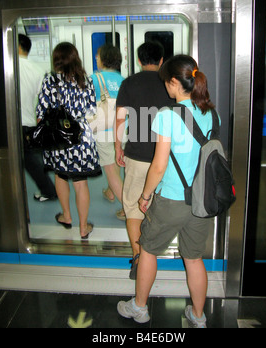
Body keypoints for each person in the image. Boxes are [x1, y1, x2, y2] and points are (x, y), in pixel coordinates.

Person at [117, 55, 215, 328]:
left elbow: (158, 166)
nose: (166, 89)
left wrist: (145, 196)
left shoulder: (168, 116)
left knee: (147, 250)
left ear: (175, 82)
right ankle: (197, 316)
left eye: (167, 84)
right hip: (201, 201)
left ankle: (139, 308)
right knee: (194, 258)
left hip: (172, 198)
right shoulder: (210, 113)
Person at [115, 42, 174, 279]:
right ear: (161, 60)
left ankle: (139, 256)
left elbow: (120, 119)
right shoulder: (170, 83)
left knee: (132, 209)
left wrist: (118, 146)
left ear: (139, 61)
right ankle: (152, 256)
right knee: (158, 208)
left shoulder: (129, 83)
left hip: (137, 156)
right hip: (166, 158)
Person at [36, 42, 101, 239]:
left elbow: (41, 113)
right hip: (81, 136)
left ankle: (66, 216)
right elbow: (92, 111)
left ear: (56, 59)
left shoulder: (50, 81)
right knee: (81, 182)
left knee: (60, 175)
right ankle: (83, 227)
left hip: (58, 137)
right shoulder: (86, 81)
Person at [18, 34, 57, 202]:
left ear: (17, 46)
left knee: (31, 162)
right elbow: (42, 99)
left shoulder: (8, 66)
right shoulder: (38, 70)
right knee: (33, 160)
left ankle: (49, 191)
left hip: (13, 123)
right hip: (30, 122)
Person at [91, 44, 125, 220]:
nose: (96, 59)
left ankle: (128, 210)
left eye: (98, 56)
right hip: (123, 129)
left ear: (103, 59)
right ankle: (110, 192)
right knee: (117, 161)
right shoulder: (124, 80)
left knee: (110, 169)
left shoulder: (94, 79)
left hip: (104, 130)